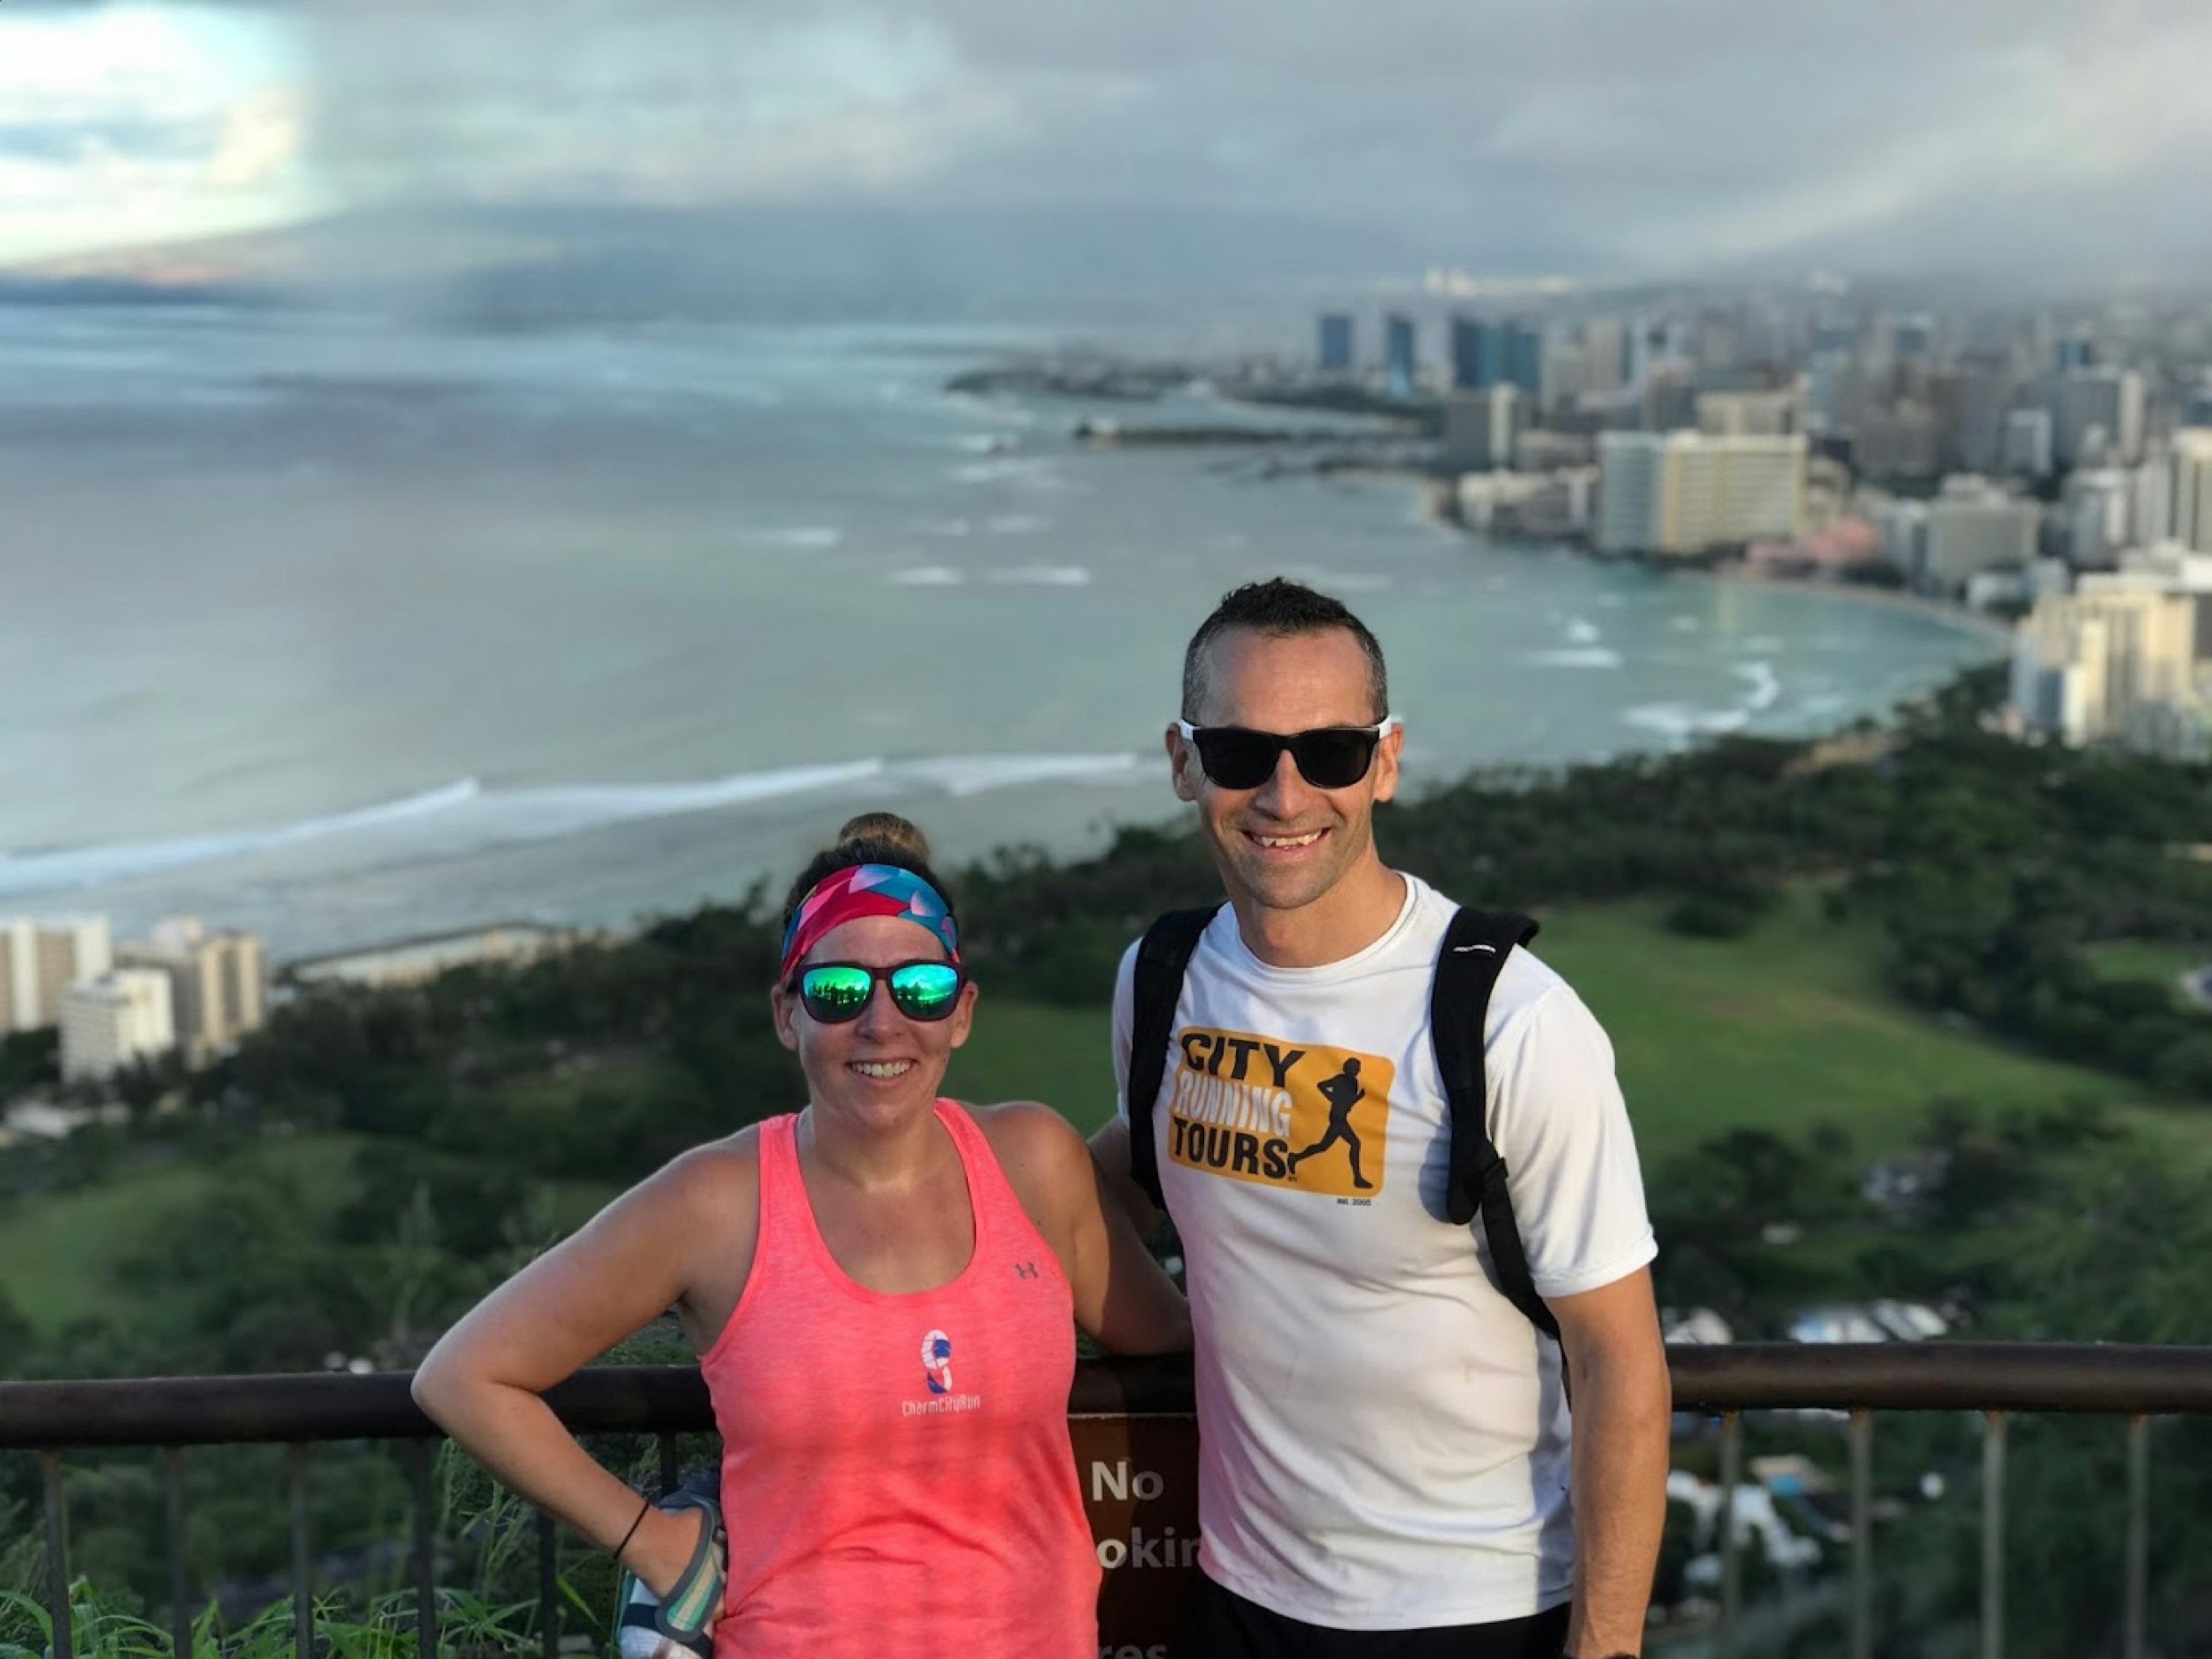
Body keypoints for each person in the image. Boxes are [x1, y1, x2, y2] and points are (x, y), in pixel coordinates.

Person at [414, 812, 1190, 1658]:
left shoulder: (1035, 1164)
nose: (882, 1023)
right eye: (840, 992)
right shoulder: (717, 1203)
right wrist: (653, 1540)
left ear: (962, 1012)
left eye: (919, 989)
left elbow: (1170, 1330)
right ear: (788, 1013)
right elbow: (466, 1375)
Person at [1089, 581, 1672, 1659]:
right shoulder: (1162, 981)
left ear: (1387, 763)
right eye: (1238, 752)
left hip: (1476, 1606)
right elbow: (1115, 1181)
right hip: (1237, 1595)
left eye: (1332, 753)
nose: (1284, 791)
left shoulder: (1511, 1023)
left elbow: (1621, 1364)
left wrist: (1607, 1649)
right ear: (1182, 762)